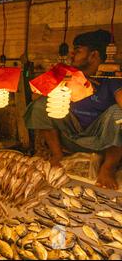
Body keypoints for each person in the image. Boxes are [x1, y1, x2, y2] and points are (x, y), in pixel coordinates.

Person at [25, 30, 122, 190]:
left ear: (94, 55)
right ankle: (57, 155)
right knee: (41, 105)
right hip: (70, 136)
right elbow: (38, 96)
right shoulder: (68, 75)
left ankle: (108, 168)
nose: (71, 54)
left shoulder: (110, 77)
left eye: (77, 50)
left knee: (119, 114)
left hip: (100, 140)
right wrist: (53, 75)